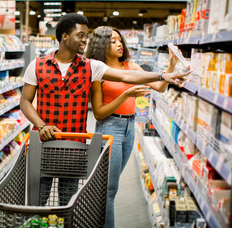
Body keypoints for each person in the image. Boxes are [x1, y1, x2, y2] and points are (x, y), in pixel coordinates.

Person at [19, 13, 187, 208]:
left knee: (67, 205)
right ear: (64, 36)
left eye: (86, 35)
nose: (85, 40)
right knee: (37, 202)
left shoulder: (91, 67)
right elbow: (25, 101)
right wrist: (41, 125)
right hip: (43, 144)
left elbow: (125, 75)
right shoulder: (37, 65)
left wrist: (162, 75)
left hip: (74, 147)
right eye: (80, 35)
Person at [85, 26, 179, 228]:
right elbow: (99, 113)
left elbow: (160, 87)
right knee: (109, 190)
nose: (119, 44)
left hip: (129, 127)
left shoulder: (130, 66)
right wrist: (126, 95)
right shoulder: (98, 71)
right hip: (109, 128)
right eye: (113, 41)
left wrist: (170, 67)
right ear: (101, 44)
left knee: (110, 186)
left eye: (120, 40)